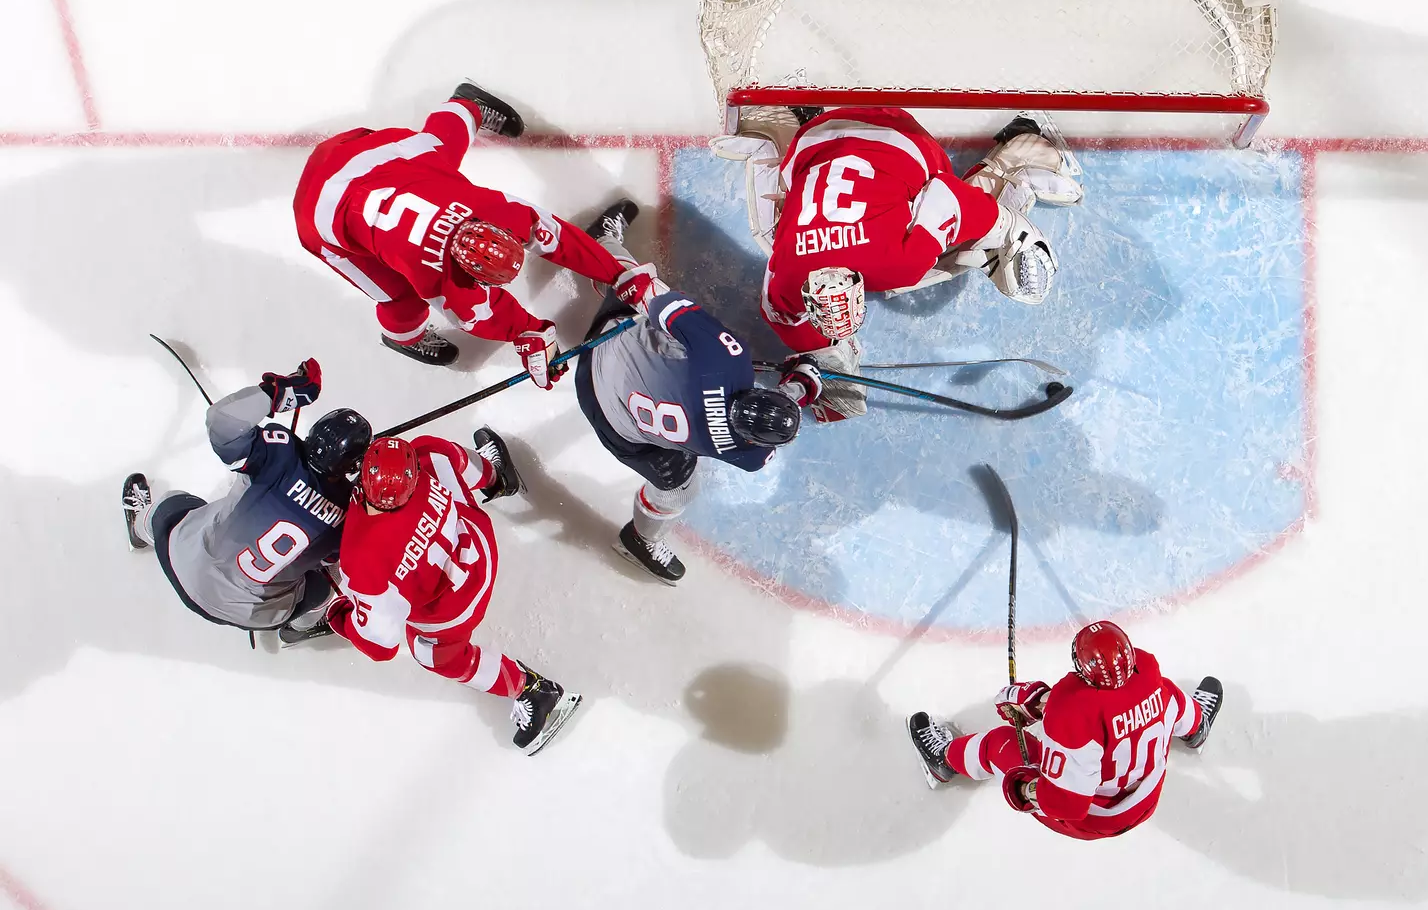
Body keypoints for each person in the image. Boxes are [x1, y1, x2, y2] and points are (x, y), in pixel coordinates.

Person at [717, 107, 1081, 420]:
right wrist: (820, 357)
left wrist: (1011, 233)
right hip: (818, 136)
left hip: (900, 133)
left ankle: (1015, 156)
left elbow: (949, 196)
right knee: (774, 235)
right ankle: (776, 129)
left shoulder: (898, 266)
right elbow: (779, 312)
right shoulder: (788, 275)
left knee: (951, 256)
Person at [292, 81, 658, 383]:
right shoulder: (440, 279)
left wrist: (536, 332)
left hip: (356, 158)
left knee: (436, 156)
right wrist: (528, 331)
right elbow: (488, 313)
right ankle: (403, 337)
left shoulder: (493, 213)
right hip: (323, 214)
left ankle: (469, 105)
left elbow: (549, 244)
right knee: (400, 296)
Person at [574, 200, 806, 584]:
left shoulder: (727, 357)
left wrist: (640, 291)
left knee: (639, 288)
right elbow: (774, 427)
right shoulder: (746, 454)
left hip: (599, 345)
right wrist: (804, 385)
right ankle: (641, 538)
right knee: (678, 487)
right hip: (607, 420)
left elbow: (656, 300)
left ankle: (601, 247)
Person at [314, 427, 579, 755]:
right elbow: (450, 466)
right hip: (478, 546)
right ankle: (498, 477)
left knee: (431, 653)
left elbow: (381, 645)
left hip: (452, 611)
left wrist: (340, 615)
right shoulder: (423, 456)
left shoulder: (361, 559)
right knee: (444, 457)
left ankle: (533, 690)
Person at [908, 620, 1223, 840]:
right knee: (1174, 701)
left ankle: (943, 762)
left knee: (1000, 743)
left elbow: (1067, 805)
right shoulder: (1152, 680)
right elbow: (1131, 709)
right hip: (1148, 798)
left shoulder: (1073, 720)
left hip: (1096, 819)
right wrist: (1042, 701)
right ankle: (1197, 732)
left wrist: (1024, 787)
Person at [121, 360, 371, 638]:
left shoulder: (279, 452)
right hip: (256, 613)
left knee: (173, 503)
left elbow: (222, 423)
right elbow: (336, 559)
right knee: (325, 583)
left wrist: (278, 393)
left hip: (188, 570)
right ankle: (302, 626)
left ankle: (139, 527)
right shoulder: (347, 511)